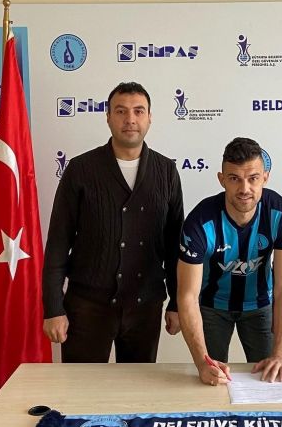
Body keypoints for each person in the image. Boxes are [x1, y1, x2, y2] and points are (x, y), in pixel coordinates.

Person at [41, 82, 184, 363]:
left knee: (137, 389)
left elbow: (174, 244)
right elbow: (58, 242)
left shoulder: (166, 171)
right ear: (107, 117)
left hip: (145, 307)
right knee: (81, 388)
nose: (130, 119)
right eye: (120, 111)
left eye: (138, 111)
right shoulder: (80, 169)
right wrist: (53, 308)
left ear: (150, 117)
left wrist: (178, 303)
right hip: (87, 307)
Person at [177, 137, 282, 386]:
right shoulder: (200, 221)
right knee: (211, 379)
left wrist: (281, 354)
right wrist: (202, 362)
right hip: (211, 306)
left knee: (271, 378)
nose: (245, 188)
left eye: (253, 178)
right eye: (234, 179)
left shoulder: (280, 212)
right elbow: (187, 295)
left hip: (260, 305)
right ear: (222, 179)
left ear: (265, 178)